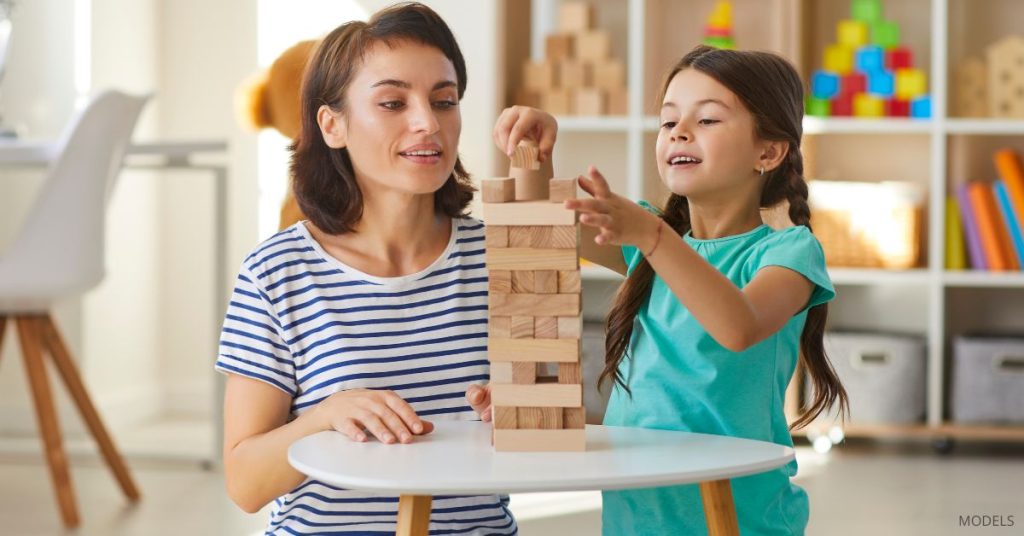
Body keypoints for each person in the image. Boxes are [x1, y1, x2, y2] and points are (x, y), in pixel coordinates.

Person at [492, 44, 849, 535]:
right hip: (635, 511)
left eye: (707, 120)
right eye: (668, 121)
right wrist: (532, 154)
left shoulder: (789, 253)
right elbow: (535, 226)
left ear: (767, 151)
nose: (679, 132)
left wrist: (651, 236)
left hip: (740, 513)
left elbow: (739, 326)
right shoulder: (649, 235)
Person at [216, 4, 519, 534]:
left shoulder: (501, 259)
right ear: (332, 125)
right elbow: (245, 485)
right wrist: (324, 416)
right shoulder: (277, 273)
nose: (428, 122)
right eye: (392, 102)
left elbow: (553, 440)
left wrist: (522, 414)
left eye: (444, 101)